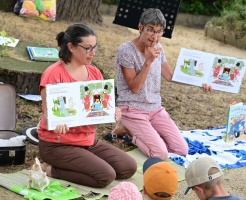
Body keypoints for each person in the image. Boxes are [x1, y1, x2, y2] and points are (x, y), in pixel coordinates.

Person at [37, 23, 137, 188]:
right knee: (106, 176)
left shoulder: (94, 73)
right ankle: (51, 169)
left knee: (128, 167)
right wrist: (56, 123)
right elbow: (48, 116)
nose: (93, 52)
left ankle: (83, 163)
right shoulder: (53, 74)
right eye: (88, 48)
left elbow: (99, 106)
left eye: (95, 47)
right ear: (71, 47)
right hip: (57, 144)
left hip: (87, 141)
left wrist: (112, 111)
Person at [111, 8, 212, 160]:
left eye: (159, 32)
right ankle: (130, 131)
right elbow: (134, 87)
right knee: (160, 153)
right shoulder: (126, 50)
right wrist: (148, 61)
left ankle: (135, 130)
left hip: (155, 109)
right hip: (132, 109)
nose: (155, 37)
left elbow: (170, 76)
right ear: (140, 27)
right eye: (150, 30)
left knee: (181, 149)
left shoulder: (159, 48)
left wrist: (198, 83)